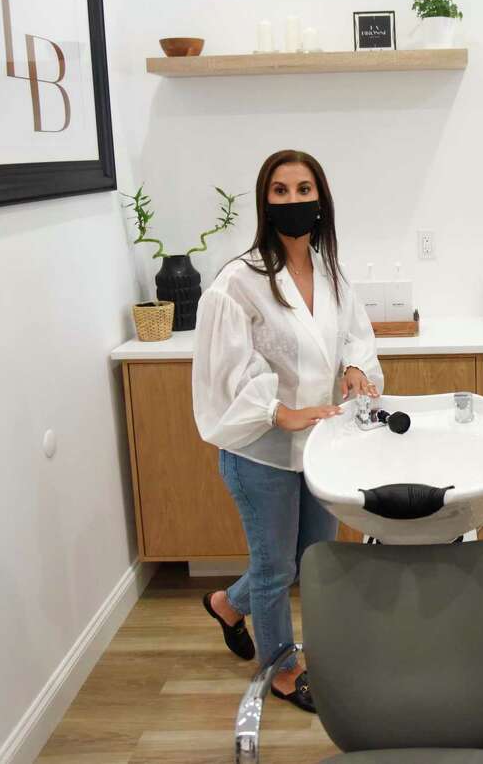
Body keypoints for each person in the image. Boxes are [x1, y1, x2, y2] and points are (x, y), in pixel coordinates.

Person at [192, 149, 383, 713]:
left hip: (318, 446)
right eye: (281, 191)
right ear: (265, 202)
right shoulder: (238, 283)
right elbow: (224, 375)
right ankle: (281, 667)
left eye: (304, 190)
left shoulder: (330, 272)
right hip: (262, 452)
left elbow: (355, 334)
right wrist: (279, 411)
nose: (294, 201)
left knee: (312, 556)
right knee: (276, 566)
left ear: (320, 200)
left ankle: (229, 604)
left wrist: (353, 365)